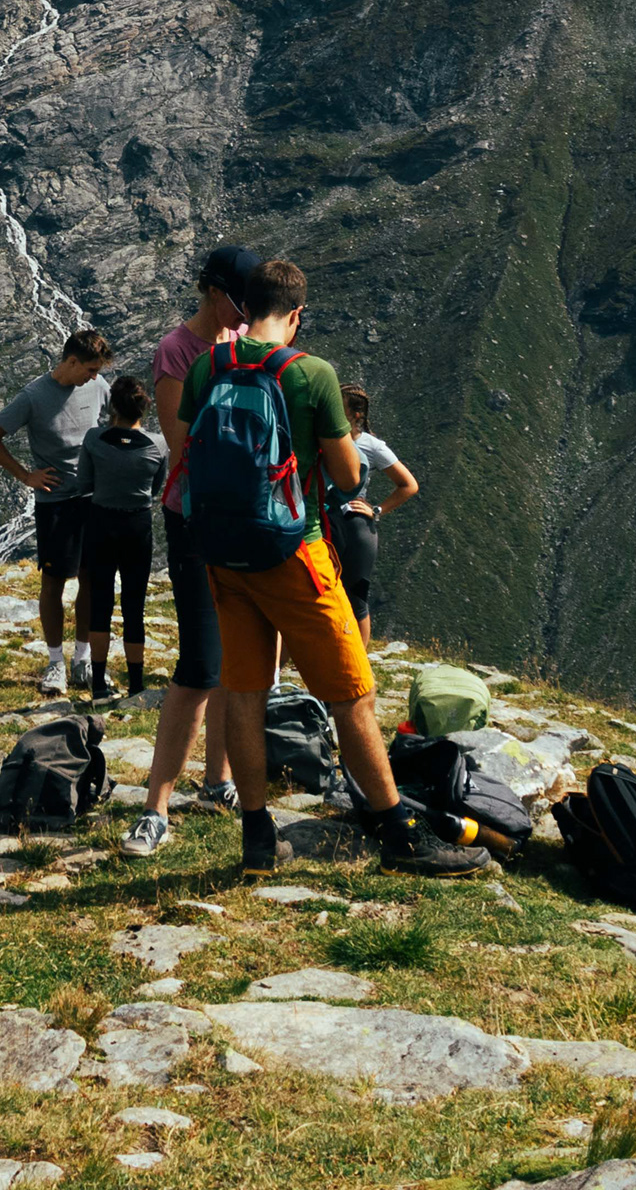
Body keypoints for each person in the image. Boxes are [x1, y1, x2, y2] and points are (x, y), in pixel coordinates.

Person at [165, 260, 443, 875]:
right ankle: (400, 834)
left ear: (245, 308)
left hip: (224, 554)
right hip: (296, 551)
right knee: (353, 693)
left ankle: (257, 838)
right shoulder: (311, 373)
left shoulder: (207, 366)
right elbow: (347, 477)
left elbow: (185, 454)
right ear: (296, 314)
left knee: (245, 691)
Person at [126, 246, 257, 857]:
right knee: (201, 662)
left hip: (243, 518)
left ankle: (216, 780)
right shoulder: (176, 351)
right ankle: (155, 807)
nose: (245, 313)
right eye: (237, 301)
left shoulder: (246, 342)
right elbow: (181, 446)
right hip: (195, 517)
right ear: (212, 291)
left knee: (236, 655)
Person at [0, 325, 114, 693]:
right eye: (90, 370)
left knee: (91, 577)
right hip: (55, 503)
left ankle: (83, 659)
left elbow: (118, 421)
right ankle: (55, 663)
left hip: (93, 498)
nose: (94, 378)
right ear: (72, 362)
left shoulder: (98, 387)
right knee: (53, 582)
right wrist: (25, 475)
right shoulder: (34, 396)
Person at [68, 376, 166, 701]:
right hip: (137, 525)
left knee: (101, 603)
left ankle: (98, 684)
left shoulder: (94, 439)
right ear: (143, 408)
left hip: (101, 522)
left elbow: (83, 483)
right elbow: (156, 488)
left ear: (113, 407)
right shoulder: (158, 445)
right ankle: (136, 685)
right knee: (134, 606)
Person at [326, 383, 418, 635]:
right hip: (325, 520)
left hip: (355, 528)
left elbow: (408, 485)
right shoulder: (325, 435)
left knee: (356, 599)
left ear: (356, 415)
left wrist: (377, 510)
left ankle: (360, 658)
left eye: (339, 406)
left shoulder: (372, 446)